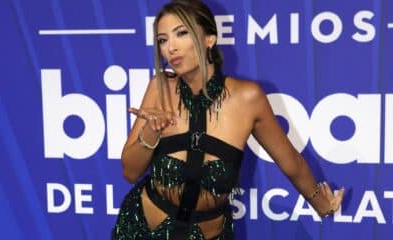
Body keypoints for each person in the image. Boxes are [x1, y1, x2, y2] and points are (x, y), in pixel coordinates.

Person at [112, 0, 344, 239]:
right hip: (140, 230)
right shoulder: (159, 87)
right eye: (163, 39)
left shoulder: (248, 97)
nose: (171, 48)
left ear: (209, 39)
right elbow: (130, 171)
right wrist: (150, 132)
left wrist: (322, 204)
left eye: (181, 33)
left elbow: (291, 162)